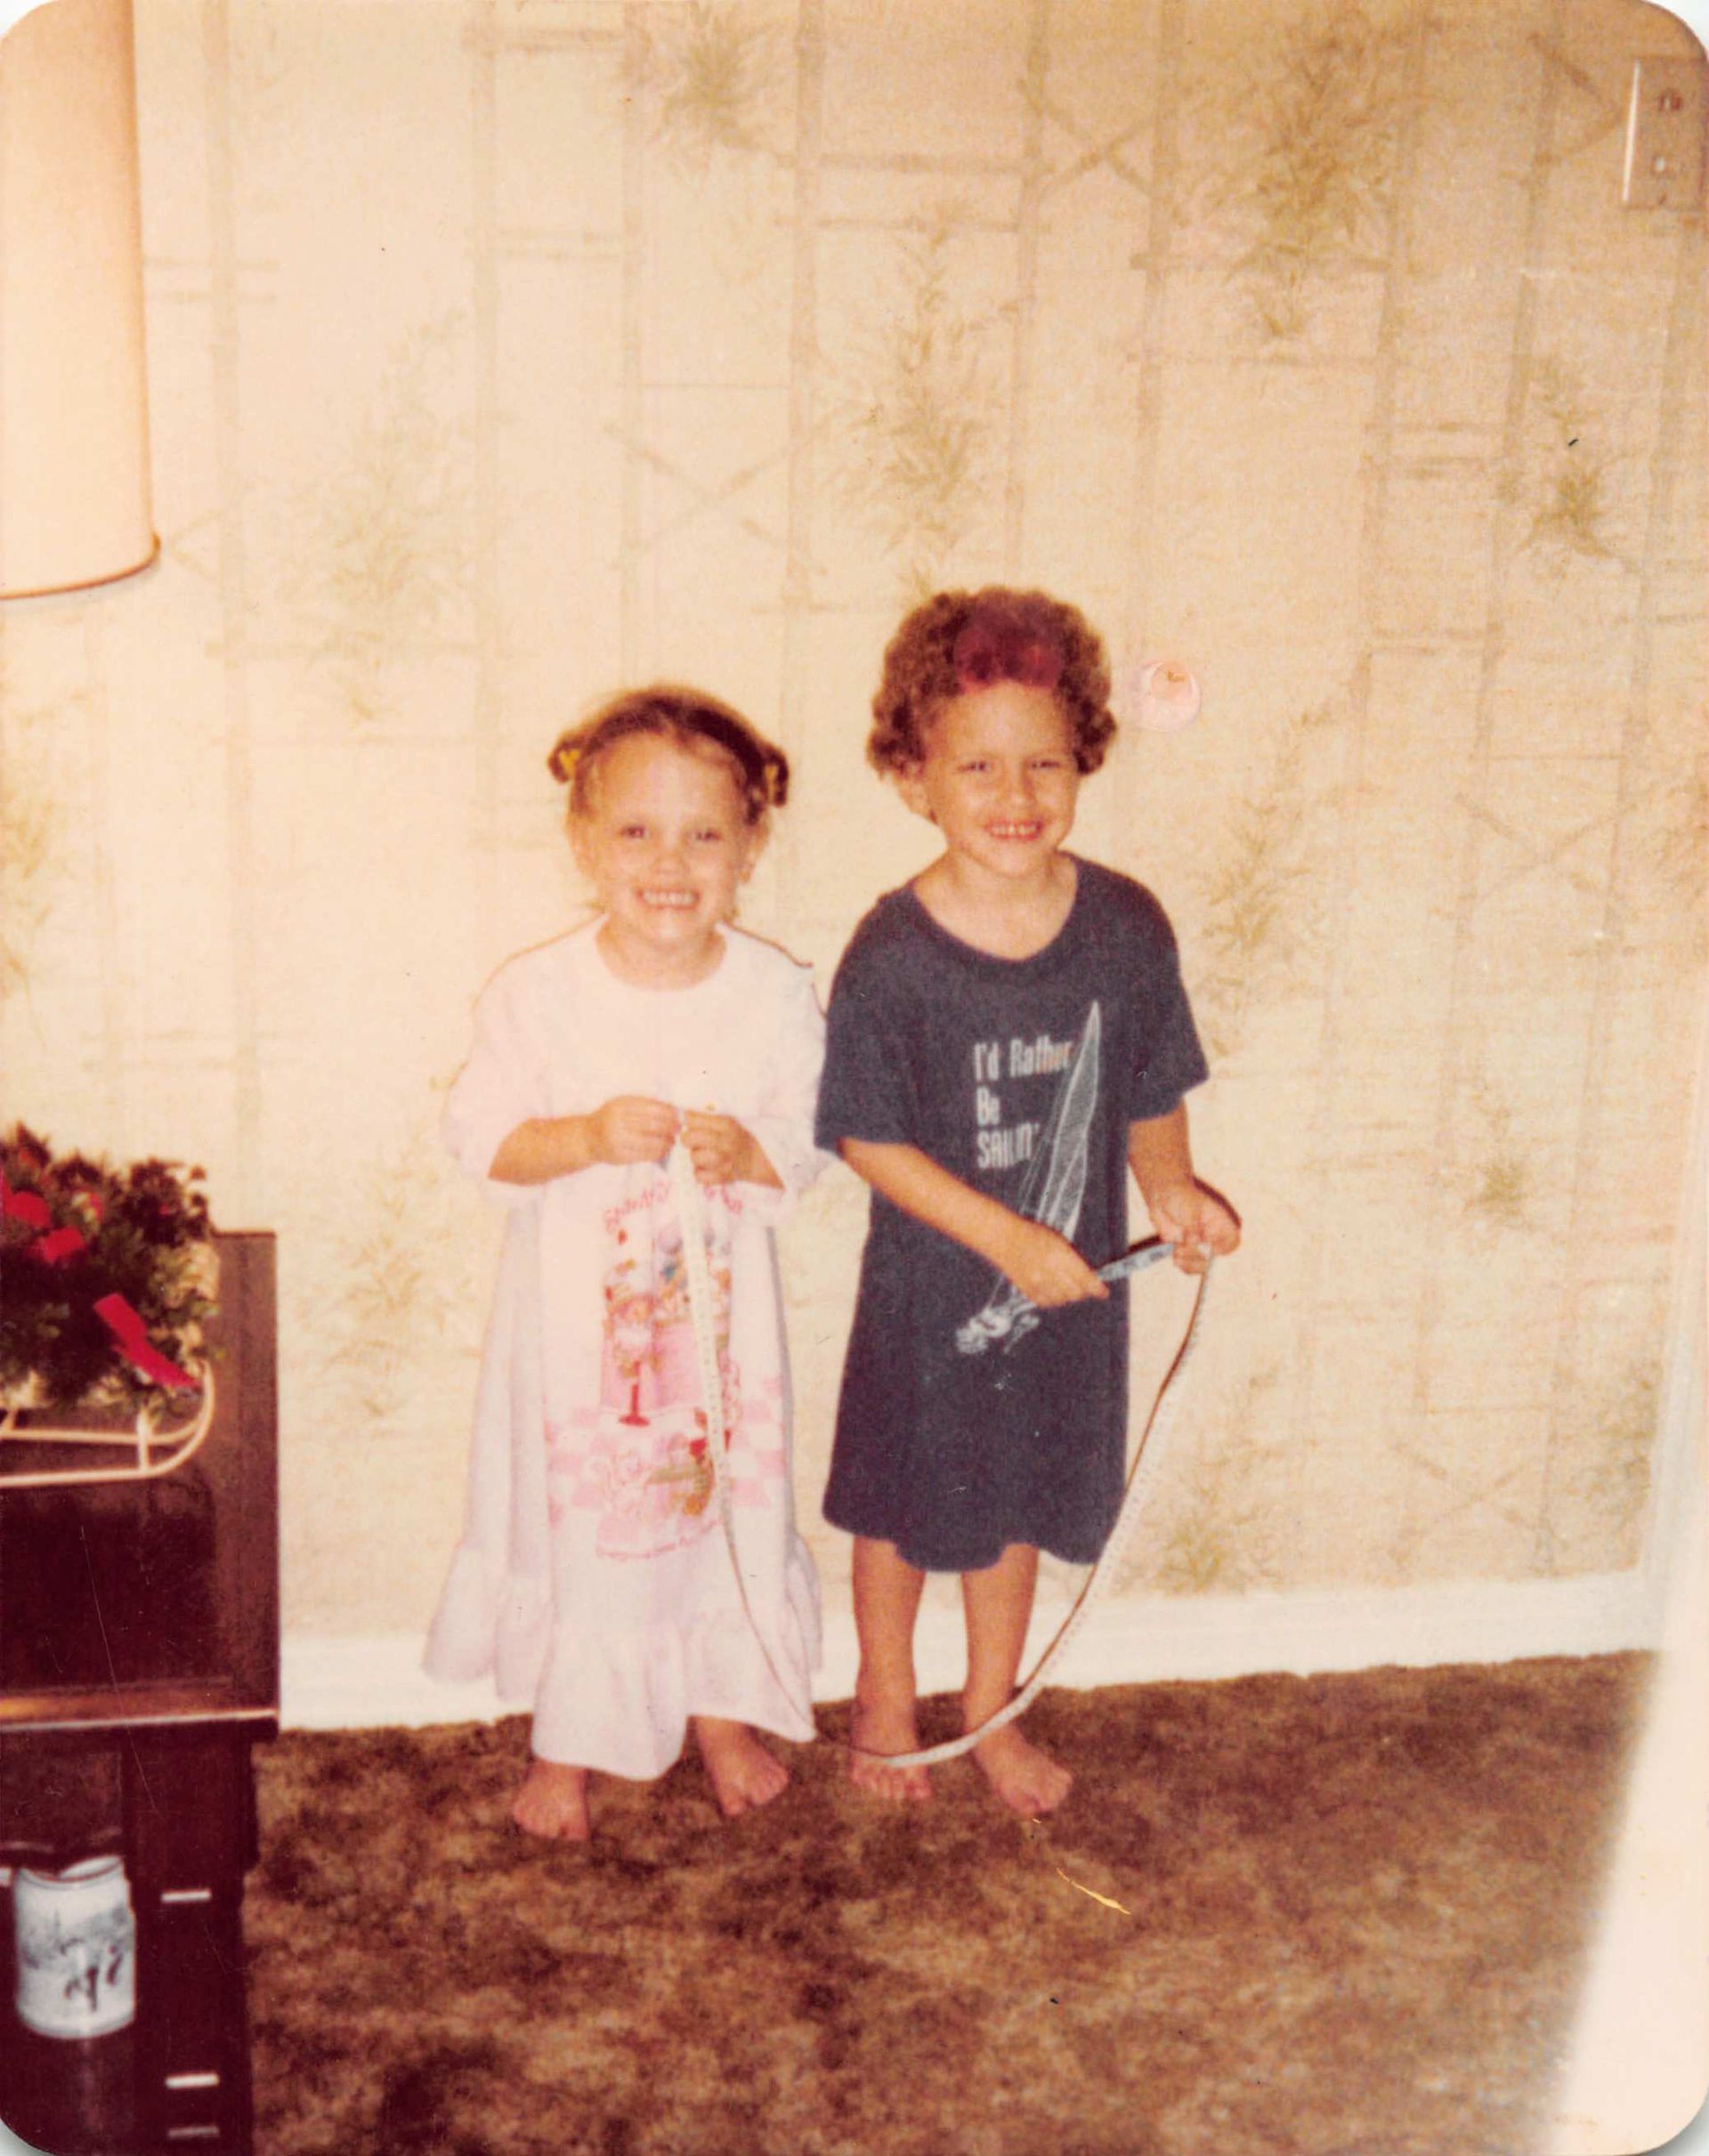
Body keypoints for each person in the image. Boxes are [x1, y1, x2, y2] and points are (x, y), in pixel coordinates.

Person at [816, 587, 1240, 1819]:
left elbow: (1150, 1086)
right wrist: (1007, 1238)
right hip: (933, 1294)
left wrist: (1171, 1191)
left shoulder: (1123, 927)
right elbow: (866, 1136)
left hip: (1069, 1299)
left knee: (1011, 1506)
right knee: (904, 1507)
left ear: (1084, 763)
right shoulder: (893, 954)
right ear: (913, 776)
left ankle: (989, 1704)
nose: (1016, 795)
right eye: (979, 764)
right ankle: (885, 1695)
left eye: (1044, 762)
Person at [425, 686, 827, 1841]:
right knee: (590, 1535)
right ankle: (570, 1738)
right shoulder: (540, 993)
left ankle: (722, 1708)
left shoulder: (772, 995)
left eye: (706, 834)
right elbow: (482, 1138)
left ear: (750, 847)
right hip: (578, 1352)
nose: (671, 862)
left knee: (721, 1519)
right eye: (638, 831)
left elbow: (806, 1141)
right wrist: (585, 1137)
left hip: (717, 1351)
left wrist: (749, 1150)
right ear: (586, 843)